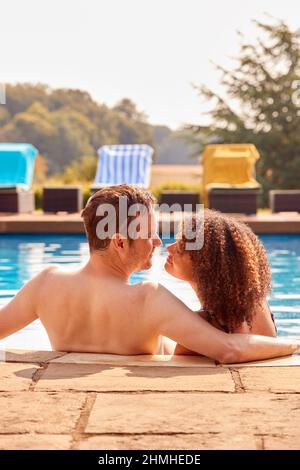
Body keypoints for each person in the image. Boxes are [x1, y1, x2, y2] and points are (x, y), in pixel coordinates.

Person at [0, 184, 299, 363]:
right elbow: (230, 350)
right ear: (119, 241)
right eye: (149, 234)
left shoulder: (46, 282)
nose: (158, 242)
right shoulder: (147, 299)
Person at [165, 210, 277, 355]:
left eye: (181, 248)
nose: (169, 247)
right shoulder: (256, 305)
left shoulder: (201, 326)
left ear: (205, 265)